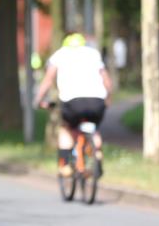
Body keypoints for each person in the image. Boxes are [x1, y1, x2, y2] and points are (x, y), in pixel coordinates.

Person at [32, 32, 113, 176]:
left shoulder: (60, 54)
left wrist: (38, 100)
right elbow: (106, 81)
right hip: (96, 101)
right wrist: (108, 99)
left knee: (66, 129)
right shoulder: (93, 54)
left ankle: (65, 165)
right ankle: (97, 154)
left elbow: (48, 80)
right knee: (94, 129)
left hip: (72, 101)